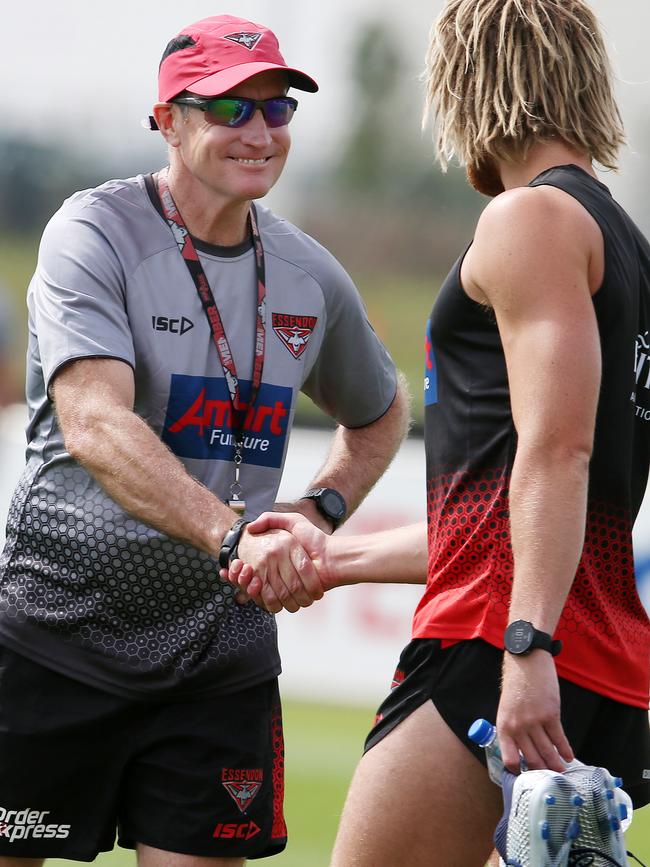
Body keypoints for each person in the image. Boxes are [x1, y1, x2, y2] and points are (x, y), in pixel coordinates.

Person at [227, 1, 650, 864]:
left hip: (499, 654)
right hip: (596, 664)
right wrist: (331, 556)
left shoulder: (528, 221)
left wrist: (527, 649)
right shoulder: (626, 244)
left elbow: (557, 454)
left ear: (470, 83)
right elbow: (503, 521)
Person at [0, 14, 409, 866]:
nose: (259, 131)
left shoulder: (309, 274)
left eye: (278, 108)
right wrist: (232, 534)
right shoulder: (95, 233)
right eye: (231, 106)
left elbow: (380, 411)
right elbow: (95, 422)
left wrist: (315, 511)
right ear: (167, 120)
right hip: (52, 637)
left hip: (218, 655)